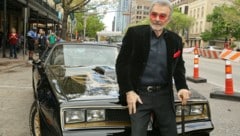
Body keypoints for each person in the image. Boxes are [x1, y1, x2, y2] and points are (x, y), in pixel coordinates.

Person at [115, 0, 191, 136]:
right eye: (154, 14)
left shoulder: (175, 40)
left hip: (164, 96)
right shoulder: (134, 34)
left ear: (168, 19)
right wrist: (129, 91)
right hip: (139, 95)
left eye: (162, 16)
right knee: (137, 133)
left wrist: (182, 87)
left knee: (170, 133)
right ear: (149, 14)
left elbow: (178, 66)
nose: (157, 19)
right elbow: (122, 64)